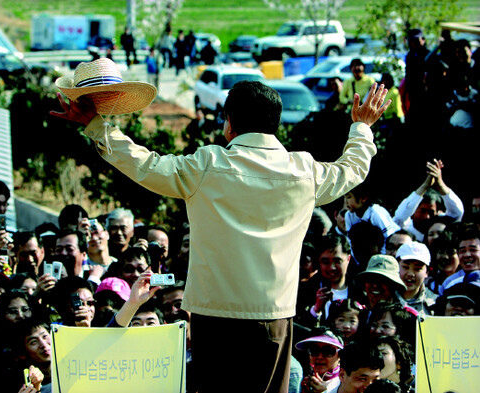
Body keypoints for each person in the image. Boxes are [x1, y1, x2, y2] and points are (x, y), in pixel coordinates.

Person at [50, 57, 390, 392]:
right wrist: (362, 127)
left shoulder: (207, 165)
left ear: (229, 124)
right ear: (276, 124)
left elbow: (143, 164)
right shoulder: (304, 171)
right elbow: (353, 168)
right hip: (273, 317)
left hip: (213, 319)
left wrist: (97, 125)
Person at [393, 159, 464, 242]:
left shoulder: (442, 224)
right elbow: (399, 216)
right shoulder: (405, 226)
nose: (427, 217)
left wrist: (440, 183)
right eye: (422, 211)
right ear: (413, 211)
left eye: (431, 212)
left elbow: (458, 212)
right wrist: (425, 185)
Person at [295, 328, 344, 393]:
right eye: (314, 350)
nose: (319, 357)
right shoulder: (299, 378)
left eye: (328, 351)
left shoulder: (347, 381)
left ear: (340, 355)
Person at [395, 241, 437, 315]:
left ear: (427, 272)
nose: (410, 274)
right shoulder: (384, 298)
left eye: (417, 269)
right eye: (405, 267)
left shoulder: (435, 303)